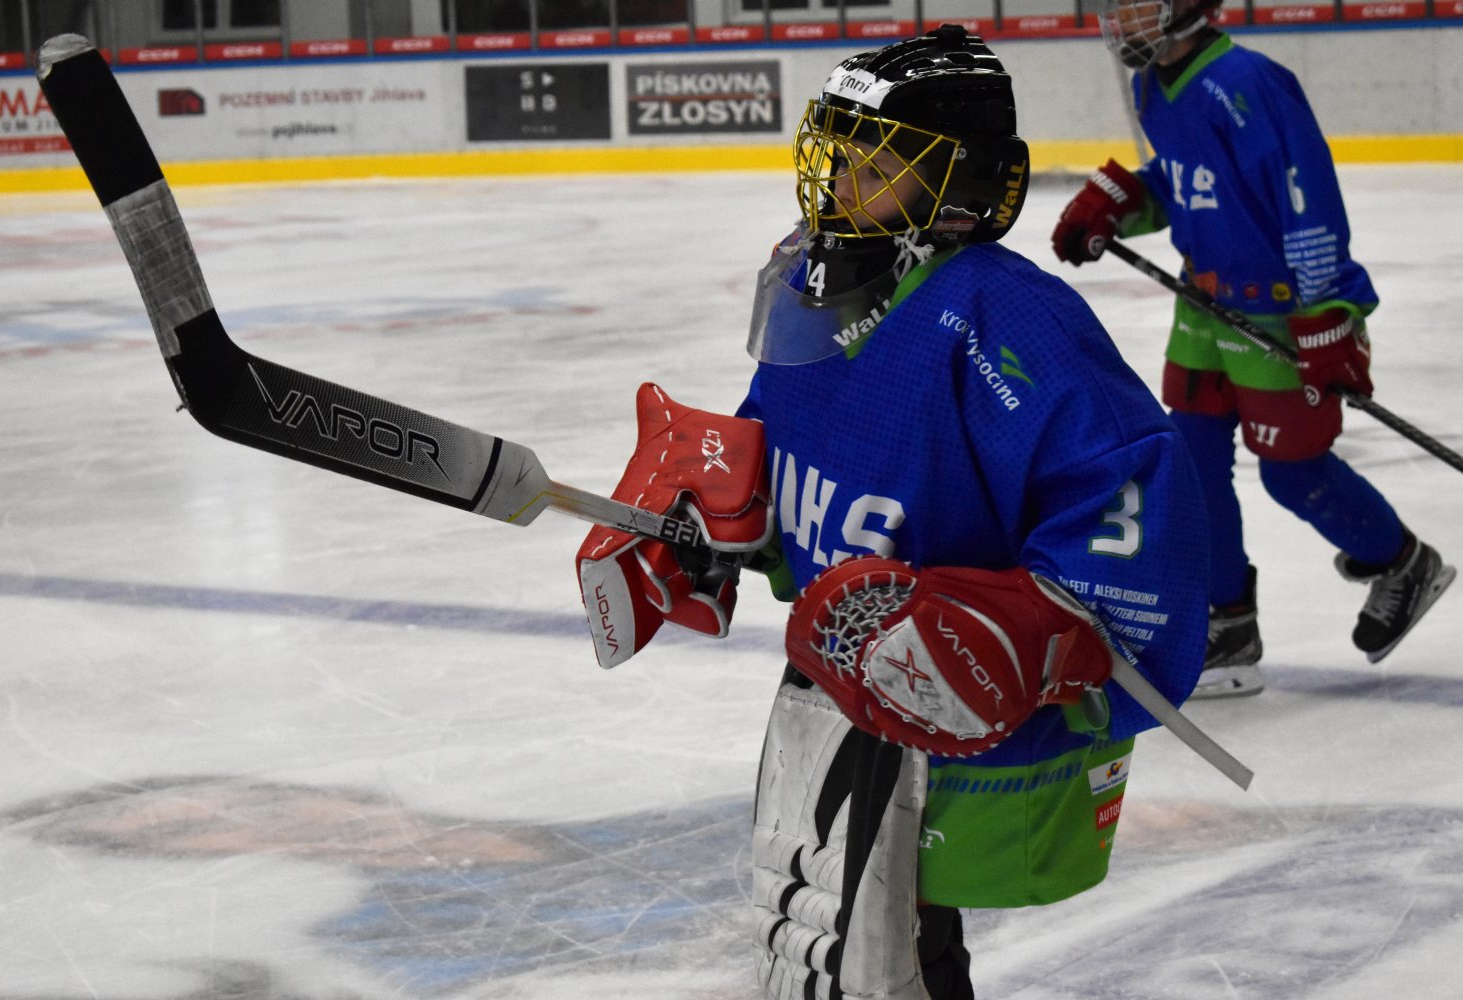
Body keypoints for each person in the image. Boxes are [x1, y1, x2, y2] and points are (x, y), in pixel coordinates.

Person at [574, 27, 1213, 1000]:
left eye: (876, 165)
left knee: (875, 966)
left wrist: (1043, 625)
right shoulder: (821, 286)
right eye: (838, 155)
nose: (839, 182)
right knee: (825, 955)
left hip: (944, 707)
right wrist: (717, 522)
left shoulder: (1002, 314)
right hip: (831, 682)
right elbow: (789, 442)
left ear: (958, 185)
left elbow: (1125, 483)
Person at [1051, 0, 1455, 698]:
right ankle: (1230, 624)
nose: (1124, 21)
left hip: (1278, 313)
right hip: (1202, 307)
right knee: (1192, 463)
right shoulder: (1151, 87)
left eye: (1141, 5)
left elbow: (1308, 199)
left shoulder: (1249, 82)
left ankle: (1402, 562)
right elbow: (1191, 186)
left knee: (1293, 474)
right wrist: (1121, 202)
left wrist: (1328, 312)